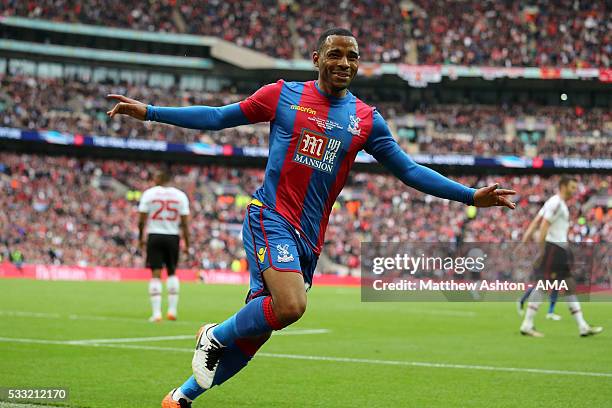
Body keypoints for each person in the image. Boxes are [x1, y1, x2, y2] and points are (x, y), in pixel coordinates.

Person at [108, 28, 516, 407]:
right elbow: (218, 117)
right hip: (270, 216)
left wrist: (469, 196)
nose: (344, 63)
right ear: (317, 58)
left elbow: (408, 170)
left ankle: (181, 396)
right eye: (335, 55)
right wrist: (150, 112)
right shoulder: (282, 95)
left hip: (309, 239)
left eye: (352, 57)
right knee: (290, 306)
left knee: (257, 333)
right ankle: (213, 334)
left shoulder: (366, 119)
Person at [519, 176, 603, 338]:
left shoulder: (556, 203)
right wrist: (541, 251)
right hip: (553, 249)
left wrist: (525, 240)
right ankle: (527, 324)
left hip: (559, 250)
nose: (574, 191)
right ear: (563, 186)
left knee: (569, 286)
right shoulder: (556, 203)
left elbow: (536, 220)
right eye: (572, 187)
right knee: (544, 285)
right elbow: (543, 225)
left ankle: (582, 326)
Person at [137, 169, 190, 322]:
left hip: (154, 235)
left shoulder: (149, 194)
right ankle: (172, 311)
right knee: (172, 272)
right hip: (173, 236)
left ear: (158, 179)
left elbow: (141, 220)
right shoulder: (180, 196)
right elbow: (185, 223)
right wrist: (187, 243)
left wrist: (141, 238)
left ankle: (156, 313)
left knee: (156, 274)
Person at [516, 210, 561, 320]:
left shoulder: (546, 232)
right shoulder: (540, 233)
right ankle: (528, 305)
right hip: (542, 264)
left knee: (551, 286)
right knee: (542, 286)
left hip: (548, 263)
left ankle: (549, 311)